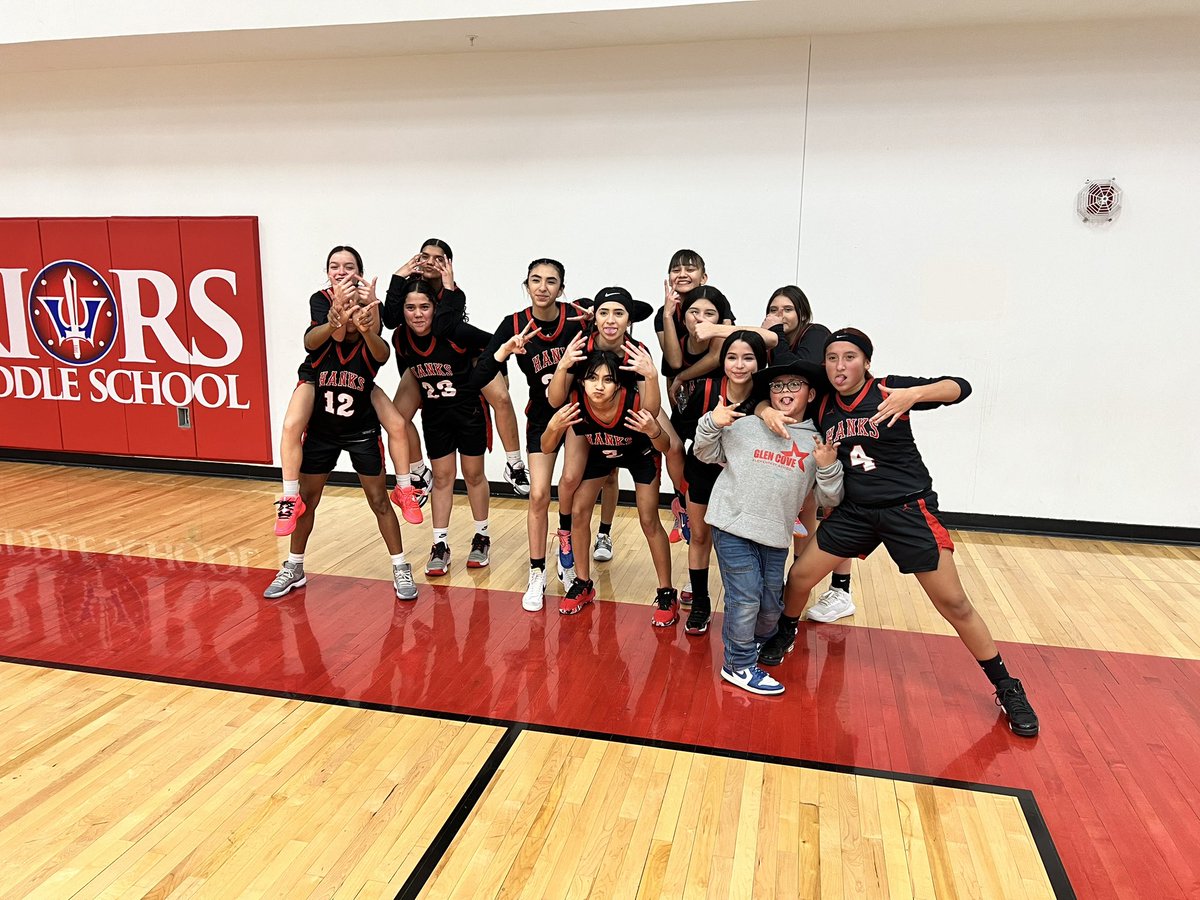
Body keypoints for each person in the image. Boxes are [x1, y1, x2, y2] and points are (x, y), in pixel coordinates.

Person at [760, 328, 1039, 737]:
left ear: (866, 362)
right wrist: (767, 408)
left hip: (907, 509)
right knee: (800, 576)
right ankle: (787, 630)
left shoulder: (889, 389)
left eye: (849, 357)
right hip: (855, 511)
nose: (840, 365)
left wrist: (915, 395)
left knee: (954, 603)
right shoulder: (823, 406)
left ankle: (1007, 686)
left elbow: (960, 387)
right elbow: (774, 394)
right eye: (832, 358)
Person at [692, 348, 843, 695]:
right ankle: (738, 664)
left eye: (795, 384)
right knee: (745, 598)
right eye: (777, 386)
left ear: (812, 393)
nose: (785, 391)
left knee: (771, 605)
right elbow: (705, 451)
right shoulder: (745, 425)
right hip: (732, 526)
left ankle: (755, 643)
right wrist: (712, 422)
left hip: (775, 535)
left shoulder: (817, 442)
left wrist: (828, 466)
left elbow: (830, 499)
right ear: (769, 394)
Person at [264, 281, 418, 603]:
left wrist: (366, 329)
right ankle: (294, 567)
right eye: (344, 310)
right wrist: (333, 320)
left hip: (362, 433)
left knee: (379, 501)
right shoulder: (320, 348)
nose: (350, 315)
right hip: (322, 433)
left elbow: (383, 352)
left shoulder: (369, 347)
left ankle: (400, 566)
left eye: (356, 310)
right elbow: (313, 338)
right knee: (307, 499)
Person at [273, 246, 423, 536]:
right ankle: (290, 497)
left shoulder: (370, 302)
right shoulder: (321, 299)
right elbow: (334, 336)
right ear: (327, 272)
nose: (341, 271)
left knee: (397, 424)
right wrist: (338, 313)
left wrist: (371, 312)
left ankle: (405, 488)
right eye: (334, 266)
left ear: (360, 273)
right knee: (291, 424)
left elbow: (378, 349)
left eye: (348, 266)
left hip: (359, 378)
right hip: (320, 376)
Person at [469, 259, 590, 611]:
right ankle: (536, 571)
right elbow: (477, 379)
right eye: (536, 280)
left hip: (577, 411)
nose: (542, 287)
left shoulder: (577, 319)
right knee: (538, 494)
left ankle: (565, 551)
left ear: (561, 288)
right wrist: (503, 353)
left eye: (551, 281)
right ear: (526, 285)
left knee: (569, 484)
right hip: (541, 416)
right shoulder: (514, 324)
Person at [382, 238, 531, 498]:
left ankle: (514, 464)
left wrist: (502, 370)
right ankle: (418, 471)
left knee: (502, 398)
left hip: (465, 357)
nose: (430, 262)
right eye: (425, 256)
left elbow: (444, 330)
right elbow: (392, 320)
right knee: (397, 417)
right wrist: (397, 276)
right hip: (427, 364)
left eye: (438, 259)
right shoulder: (410, 287)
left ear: (448, 265)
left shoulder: (454, 293)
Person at [542, 346, 679, 626]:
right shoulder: (576, 404)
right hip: (600, 453)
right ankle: (583, 583)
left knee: (648, 519)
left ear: (618, 384)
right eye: (593, 379)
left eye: (608, 380)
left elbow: (665, 446)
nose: (599, 386)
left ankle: (667, 593)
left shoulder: (635, 402)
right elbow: (545, 447)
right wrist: (554, 427)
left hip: (640, 454)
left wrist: (653, 430)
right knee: (579, 512)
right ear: (582, 381)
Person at [546, 287, 673, 587]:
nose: (611, 319)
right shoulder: (581, 346)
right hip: (592, 423)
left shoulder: (637, 351)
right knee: (570, 481)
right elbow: (555, 401)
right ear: (595, 317)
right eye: (604, 312)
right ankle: (567, 537)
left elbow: (651, 410)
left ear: (629, 320)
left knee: (673, 446)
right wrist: (563, 366)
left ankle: (682, 504)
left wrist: (652, 376)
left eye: (619, 312)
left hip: (633, 423)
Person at [763, 285, 854, 621]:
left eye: (787, 309)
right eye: (774, 309)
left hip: (829, 430)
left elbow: (794, 367)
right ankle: (798, 584)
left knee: (835, 511)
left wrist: (773, 334)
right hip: (798, 434)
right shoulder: (773, 343)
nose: (780, 316)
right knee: (805, 513)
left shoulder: (816, 334)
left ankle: (841, 591)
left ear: (802, 313)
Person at [393, 280, 495, 576]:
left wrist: (487, 372)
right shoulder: (401, 339)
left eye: (424, 307)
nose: (417, 314)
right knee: (441, 478)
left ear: (435, 308)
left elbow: (494, 344)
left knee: (474, 475)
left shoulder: (454, 332)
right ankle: (440, 544)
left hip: (468, 410)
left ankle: (482, 536)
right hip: (436, 414)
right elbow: (407, 368)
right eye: (410, 308)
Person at [673, 330, 769, 634]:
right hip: (703, 474)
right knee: (700, 538)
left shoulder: (767, 397)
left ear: (761, 361)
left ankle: (746, 603)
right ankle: (700, 602)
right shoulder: (705, 390)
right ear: (722, 360)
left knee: (747, 542)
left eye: (748, 358)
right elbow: (680, 434)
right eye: (731, 357)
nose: (739, 365)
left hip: (746, 480)